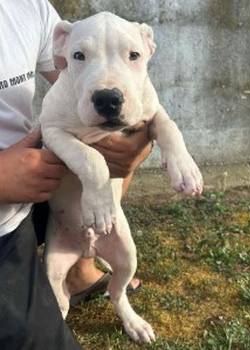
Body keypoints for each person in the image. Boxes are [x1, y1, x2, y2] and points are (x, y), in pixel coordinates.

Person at [0, 0, 151, 348]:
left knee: (97, 160)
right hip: (4, 222)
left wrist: (138, 138)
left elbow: (82, 85)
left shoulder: (30, 8)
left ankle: (82, 267)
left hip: (32, 186)